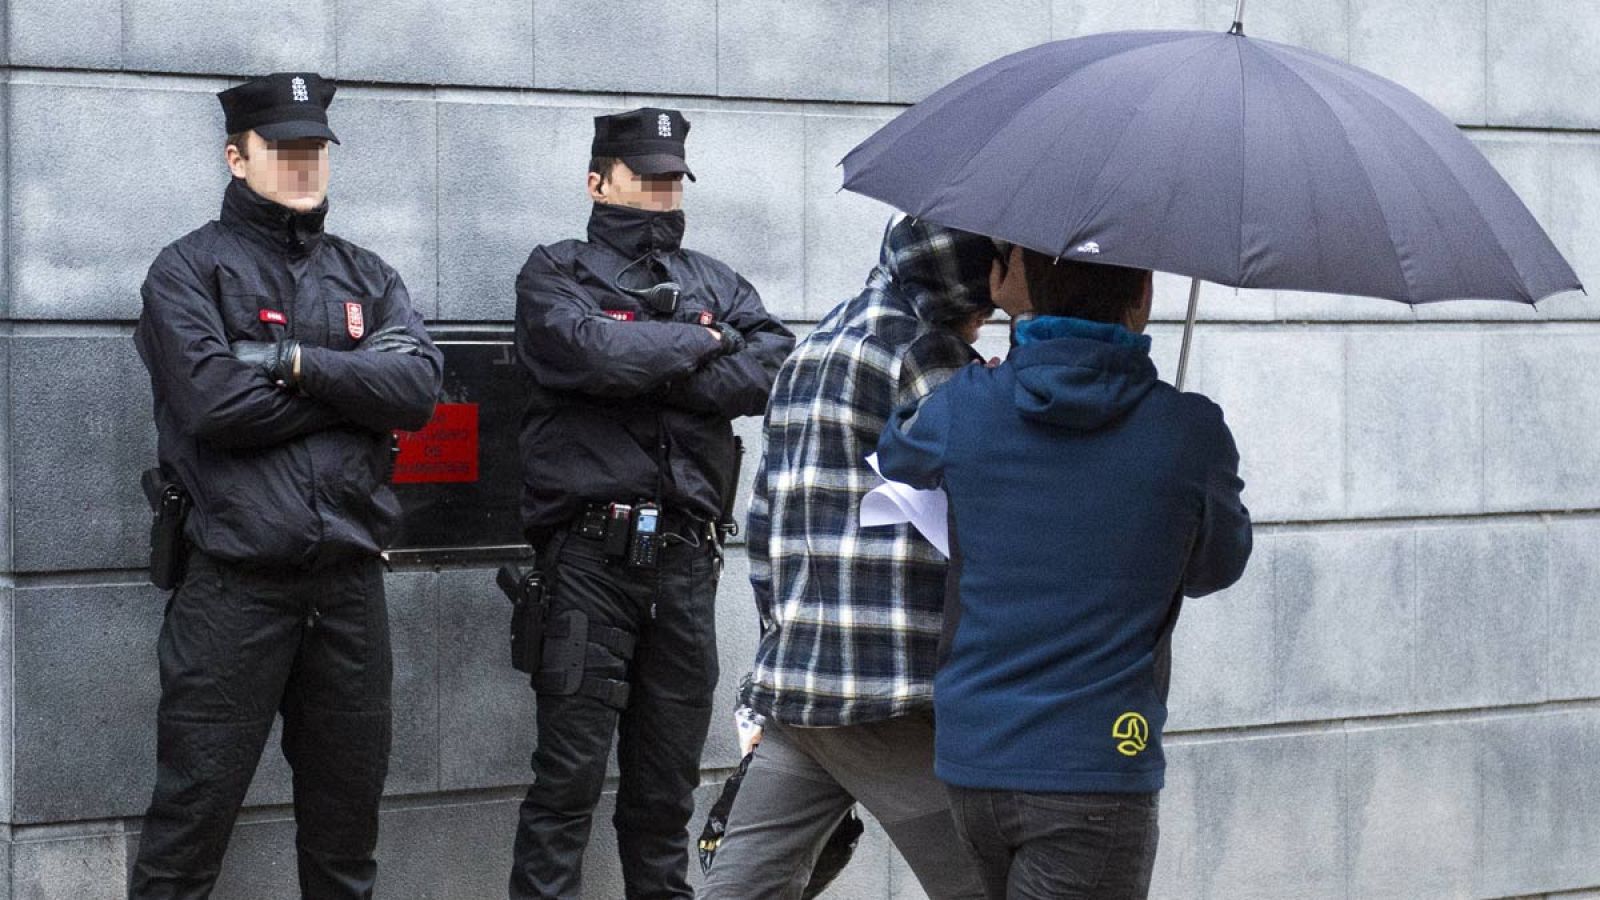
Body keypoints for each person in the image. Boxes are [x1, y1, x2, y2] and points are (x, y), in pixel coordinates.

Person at [129, 72, 443, 898]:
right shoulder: (187, 271)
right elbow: (213, 403)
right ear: (238, 157)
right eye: (283, 148)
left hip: (346, 593)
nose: (304, 163)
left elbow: (415, 394)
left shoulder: (367, 275)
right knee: (187, 834)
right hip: (234, 591)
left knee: (346, 843)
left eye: (316, 149)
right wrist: (352, 394)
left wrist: (294, 364)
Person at [875, 248, 1253, 899]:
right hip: (1099, 761)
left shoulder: (967, 406)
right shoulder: (1188, 430)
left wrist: (978, 386)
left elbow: (897, 448)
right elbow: (1216, 566)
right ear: (1143, 290)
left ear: (1028, 292)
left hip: (975, 759)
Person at [509, 107, 794, 900]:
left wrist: (647, 353)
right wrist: (705, 341)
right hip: (588, 563)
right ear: (599, 181)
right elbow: (588, 351)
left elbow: (773, 365)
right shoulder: (555, 271)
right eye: (647, 176)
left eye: (673, 178)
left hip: (684, 564)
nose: (663, 192)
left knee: (665, 796)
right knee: (564, 786)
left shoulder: (717, 279)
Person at [699, 216, 1014, 900]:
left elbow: (768, 522)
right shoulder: (925, 353)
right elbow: (998, 491)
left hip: (801, 677)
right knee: (989, 886)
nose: (988, 319)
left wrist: (773, 651)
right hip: (887, 688)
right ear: (962, 290)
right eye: (985, 305)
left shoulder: (814, 347)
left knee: (741, 889)